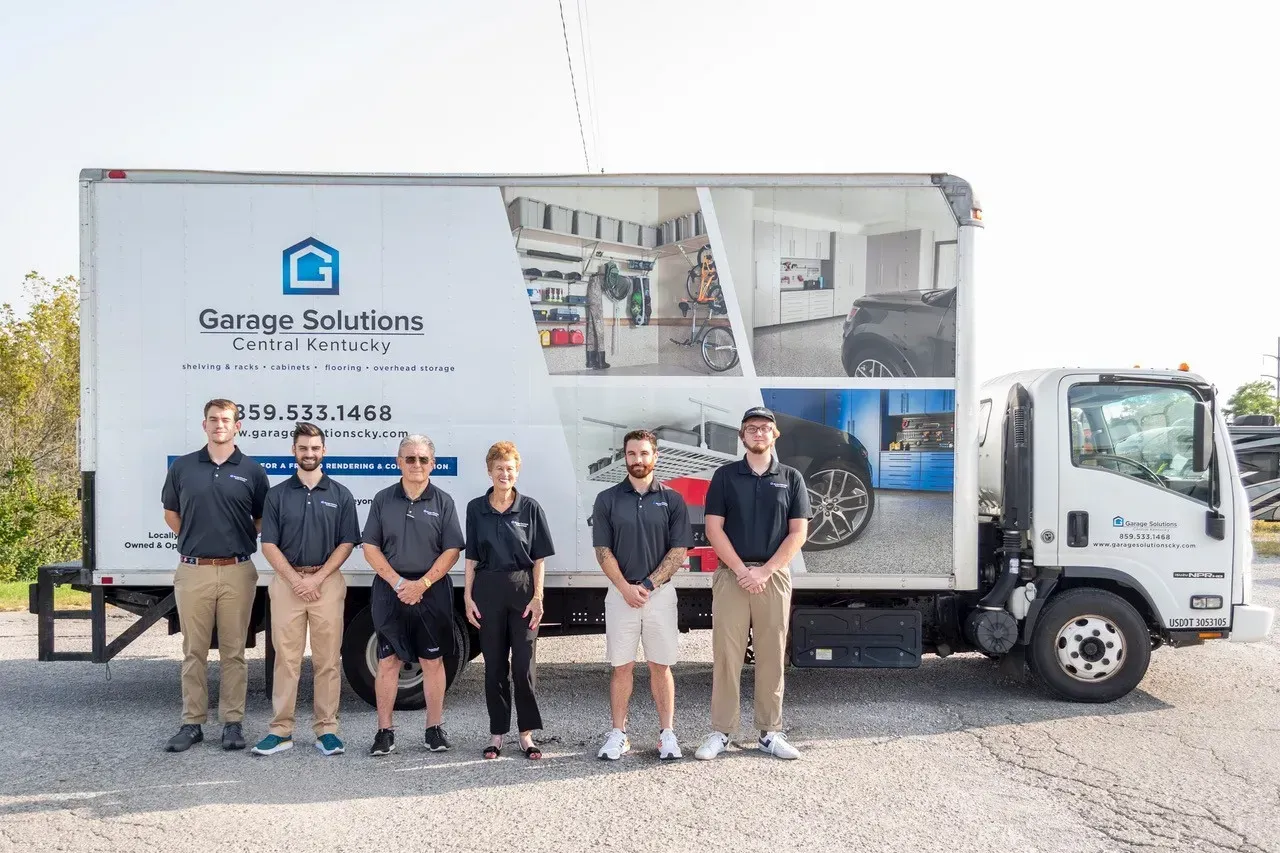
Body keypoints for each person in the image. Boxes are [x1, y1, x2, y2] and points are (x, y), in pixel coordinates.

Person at [695, 406, 811, 761]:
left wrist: (765, 571)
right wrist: (741, 570)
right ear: (742, 436)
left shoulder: (791, 478)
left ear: (774, 434)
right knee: (726, 656)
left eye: (764, 427)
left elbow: (798, 533)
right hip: (732, 576)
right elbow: (713, 528)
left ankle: (769, 732)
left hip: (773, 577)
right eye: (751, 428)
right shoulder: (725, 476)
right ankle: (721, 731)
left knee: (772, 655)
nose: (758, 433)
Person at [160, 398, 271, 753]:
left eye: (225, 419)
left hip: (238, 570)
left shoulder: (252, 471)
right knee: (193, 651)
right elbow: (171, 513)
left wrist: (235, 538)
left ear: (237, 426)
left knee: (233, 652)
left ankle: (232, 723)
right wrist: (196, 539)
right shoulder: (183, 467)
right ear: (204, 425)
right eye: (213, 419)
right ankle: (192, 723)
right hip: (193, 571)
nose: (219, 424)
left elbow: (261, 518)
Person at [252, 423, 361, 758]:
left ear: (324, 451)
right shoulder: (277, 495)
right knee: (286, 660)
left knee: (327, 660)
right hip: (287, 584)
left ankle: (327, 730)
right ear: (294, 451)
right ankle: (280, 731)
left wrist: (316, 579)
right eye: (303, 448)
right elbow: (268, 544)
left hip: (326, 582)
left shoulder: (340, 494)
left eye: (315, 448)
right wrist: (296, 580)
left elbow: (347, 543)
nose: (309, 453)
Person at [591, 429, 692, 761]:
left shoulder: (672, 500)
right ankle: (618, 734)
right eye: (632, 453)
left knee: (660, 665)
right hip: (620, 594)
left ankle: (667, 735)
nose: (638, 459)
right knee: (622, 666)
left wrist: (648, 585)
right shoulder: (607, 499)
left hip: (659, 596)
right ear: (625, 457)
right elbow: (602, 550)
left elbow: (678, 550)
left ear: (655, 456)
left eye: (644, 453)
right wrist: (625, 587)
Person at [362, 434, 465, 757]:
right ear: (399, 462)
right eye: (410, 458)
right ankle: (384, 731)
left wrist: (422, 584)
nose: (416, 464)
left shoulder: (443, 501)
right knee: (388, 660)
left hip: (431, 591)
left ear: (432, 464)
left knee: (432, 661)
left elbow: (452, 550)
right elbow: (370, 547)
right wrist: (398, 583)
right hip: (390, 590)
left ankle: (434, 729)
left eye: (423, 459)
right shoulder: (383, 499)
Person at [463, 441, 555, 760]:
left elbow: (539, 558)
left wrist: (538, 597)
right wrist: (467, 597)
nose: (505, 474)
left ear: (518, 472)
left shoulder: (530, 508)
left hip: (522, 591)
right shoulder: (476, 508)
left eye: (510, 468)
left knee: (523, 666)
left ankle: (526, 734)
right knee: (494, 667)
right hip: (487, 591)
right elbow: (472, 557)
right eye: (499, 468)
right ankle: (497, 733)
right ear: (489, 471)